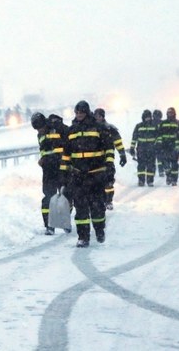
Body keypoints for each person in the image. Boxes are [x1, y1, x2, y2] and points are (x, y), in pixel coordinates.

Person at [61, 100, 113, 248]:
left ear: (87, 112)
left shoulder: (99, 128)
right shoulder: (71, 131)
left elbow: (109, 149)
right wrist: (64, 174)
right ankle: (83, 237)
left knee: (97, 207)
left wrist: (109, 167)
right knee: (81, 208)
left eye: (81, 113)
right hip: (78, 176)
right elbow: (66, 155)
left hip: (95, 175)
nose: (79, 115)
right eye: (77, 113)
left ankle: (99, 230)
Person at [31, 112, 70, 235]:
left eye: (40, 127)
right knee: (48, 196)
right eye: (37, 129)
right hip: (48, 169)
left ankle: (65, 222)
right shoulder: (40, 134)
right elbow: (43, 149)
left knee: (65, 195)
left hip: (62, 167)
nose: (39, 130)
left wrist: (66, 160)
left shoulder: (57, 127)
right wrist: (43, 159)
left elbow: (68, 143)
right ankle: (49, 226)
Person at [93, 108, 127, 210]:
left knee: (108, 181)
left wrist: (122, 155)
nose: (97, 118)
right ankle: (98, 200)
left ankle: (108, 201)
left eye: (99, 116)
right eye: (96, 116)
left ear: (103, 116)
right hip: (94, 161)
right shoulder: (91, 128)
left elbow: (118, 143)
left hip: (108, 159)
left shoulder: (110, 129)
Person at [130, 109, 158, 187]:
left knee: (151, 166)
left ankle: (150, 181)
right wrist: (132, 147)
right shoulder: (138, 126)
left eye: (149, 117)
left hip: (152, 150)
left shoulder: (154, 126)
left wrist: (158, 145)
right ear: (143, 117)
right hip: (141, 150)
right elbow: (134, 138)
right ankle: (141, 180)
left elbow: (158, 137)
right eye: (146, 117)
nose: (147, 118)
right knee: (141, 166)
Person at [157, 107, 179, 186]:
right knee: (165, 163)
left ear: (174, 113)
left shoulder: (178, 123)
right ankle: (168, 176)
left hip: (174, 147)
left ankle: (174, 180)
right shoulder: (163, 123)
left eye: (171, 113)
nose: (170, 114)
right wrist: (159, 144)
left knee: (174, 164)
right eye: (168, 113)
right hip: (165, 147)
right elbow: (159, 134)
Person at [152, 109, 164, 177]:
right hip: (159, 144)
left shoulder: (151, 123)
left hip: (153, 144)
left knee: (154, 159)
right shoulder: (162, 123)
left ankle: (153, 172)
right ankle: (161, 171)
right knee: (160, 159)